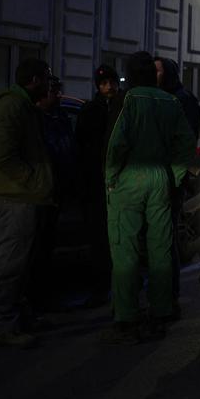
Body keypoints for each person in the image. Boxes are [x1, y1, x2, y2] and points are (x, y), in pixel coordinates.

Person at [103, 52, 195, 344]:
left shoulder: (128, 101)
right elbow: (186, 144)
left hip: (129, 180)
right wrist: (175, 176)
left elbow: (116, 144)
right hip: (160, 180)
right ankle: (161, 311)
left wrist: (111, 180)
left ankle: (127, 318)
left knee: (125, 250)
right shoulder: (170, 102)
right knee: (160, 249)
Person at [0, 58, 54, 348]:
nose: (51, 86)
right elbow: (2, 156)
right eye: (48, 80)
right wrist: (31, 179)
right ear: (36, 80)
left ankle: (15, 316)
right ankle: (3, 325)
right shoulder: (12, 107)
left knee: (20, 260)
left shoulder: (23, 106)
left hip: (23, 195)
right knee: (10, 261)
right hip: (15, 196)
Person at [153, 56, 200, 315]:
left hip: (171, 179)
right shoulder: (157, 98)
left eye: (158, 71)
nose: (154, 75)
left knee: (165, 238)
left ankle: (169, 296)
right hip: (157, 176)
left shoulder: (182, 99)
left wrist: (175, 176)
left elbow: (185, 141)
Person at [74, 65, 122, 307]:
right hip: (95, 185)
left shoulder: (121, 107)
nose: (109, 87)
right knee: (99, 242)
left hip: (116, 183)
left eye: (111, 82)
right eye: (104, 83)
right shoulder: (91, 110)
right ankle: (101, 289)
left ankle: (116, 288)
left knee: (117, 240)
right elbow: (82, 147)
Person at [28, 76, 75, 314]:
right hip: (41, 191)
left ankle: (43, 298)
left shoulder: (61, 116)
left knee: (47, 247)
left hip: (57, 189)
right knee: (36, 249)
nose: (57, 95)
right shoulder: (36, 119)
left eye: (58, 90)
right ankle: (35, 300)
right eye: (53, 91)